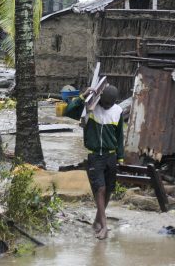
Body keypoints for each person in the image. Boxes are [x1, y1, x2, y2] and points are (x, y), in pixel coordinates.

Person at [65, 85, 124, 240]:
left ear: (114, 102)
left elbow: (120, 136)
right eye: (104, 103)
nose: (105, 107)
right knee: (100, 189)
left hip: (111, 156)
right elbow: (69, 111)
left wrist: (121, 157)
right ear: (100, 99)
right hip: (95, 156)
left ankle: (97, 221)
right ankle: (104, 226)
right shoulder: (90, 108)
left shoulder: (118, 111)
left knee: (109, 190)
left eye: (109, 104)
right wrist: (83, 96)